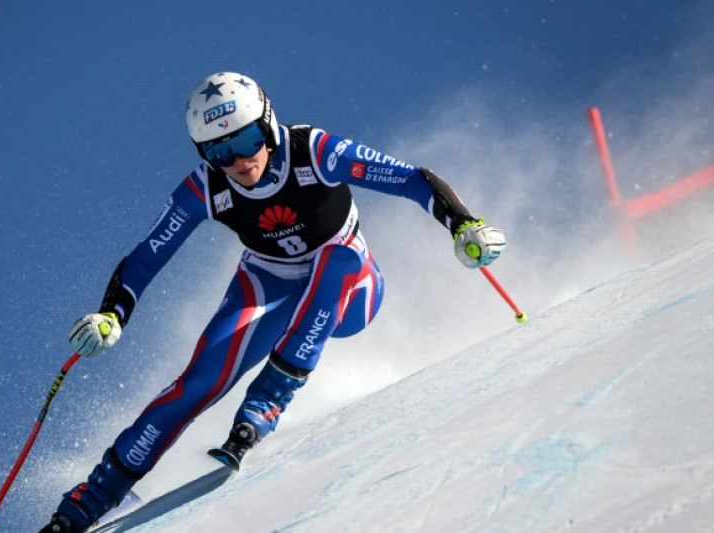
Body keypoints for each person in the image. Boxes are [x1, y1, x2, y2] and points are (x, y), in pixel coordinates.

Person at [39, 72, 505, 532]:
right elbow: (146, 257)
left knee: (337, 259)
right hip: (268, 283)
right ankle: (88, 502)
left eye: (248, 140)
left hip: (349, 285)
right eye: (219, 151)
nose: (239, 161)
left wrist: (463, 225)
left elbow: (410, 179)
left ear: (269, 123)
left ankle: (266, 403)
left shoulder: (314, 150)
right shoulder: (206, 187)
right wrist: (112, 314)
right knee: (199, 382)